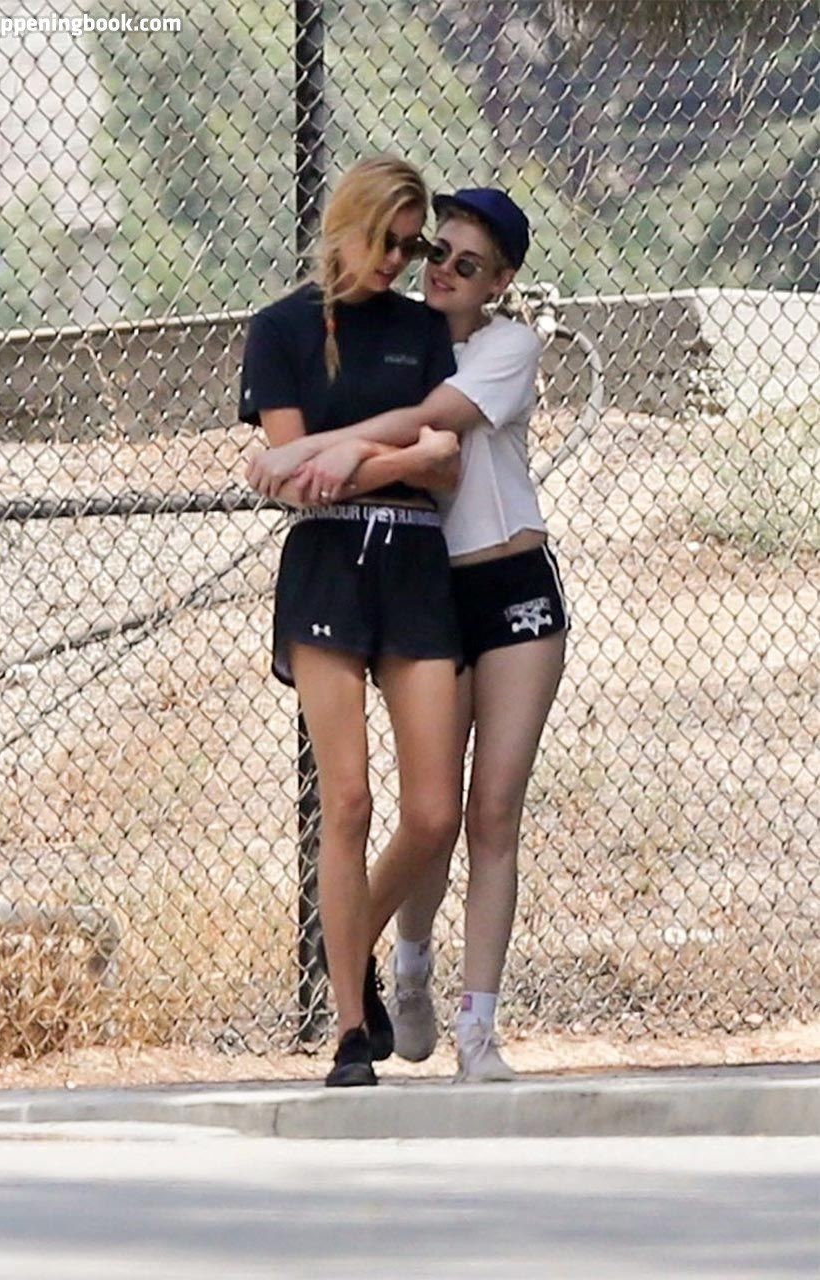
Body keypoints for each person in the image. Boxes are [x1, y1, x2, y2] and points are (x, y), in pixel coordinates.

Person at [247, 188, 568, 1082]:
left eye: (467, 264)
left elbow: (436, 442)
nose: (436, 270)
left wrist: (331, 449)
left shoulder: (500, 348)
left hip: (506, 584)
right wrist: (340, 457)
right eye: (434, 253)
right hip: (422, 579)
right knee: (406, 806)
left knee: (485, 809)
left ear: (500, 282)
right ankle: (404, 963)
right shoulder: (396, 336)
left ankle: (474, 1029)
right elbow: (405, 455)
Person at [238, 155, 472, 1089]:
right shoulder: (281, 329)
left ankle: (353, 946)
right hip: (327, 567)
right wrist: (392, 456)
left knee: (433, 812)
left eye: (412, 247)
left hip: (415, 562)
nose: (398, 261)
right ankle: (346, 1030)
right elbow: (295, 476)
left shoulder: (423, 331)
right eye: (387, 240)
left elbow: (449, 459)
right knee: (348, 801)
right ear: (346, 224)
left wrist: (345, 458)